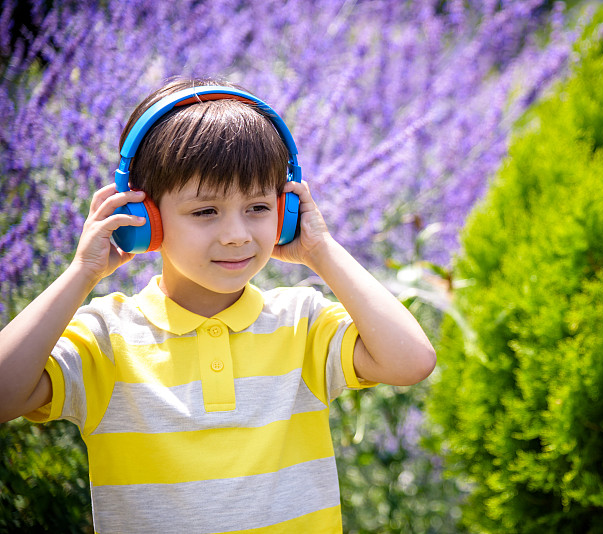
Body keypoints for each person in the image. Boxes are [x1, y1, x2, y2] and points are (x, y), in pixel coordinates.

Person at [0, 77, 436, 533]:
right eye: (205, 212)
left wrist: (321, 249)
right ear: (144, 219)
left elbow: (412, 362)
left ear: (287, 213)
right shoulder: (105, 339)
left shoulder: (302, 323)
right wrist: (81, 273)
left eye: (259, 208)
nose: (236, 234)